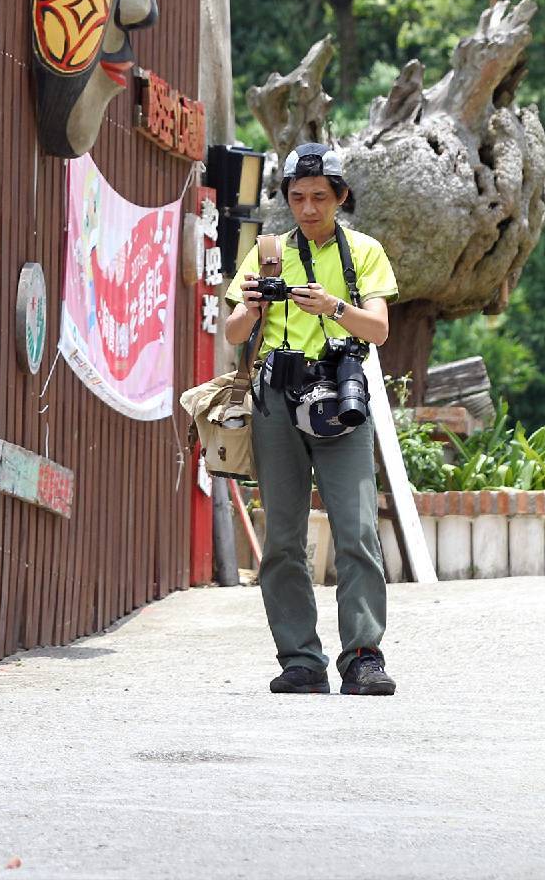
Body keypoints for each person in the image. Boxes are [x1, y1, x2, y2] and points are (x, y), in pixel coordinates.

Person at [222, 144, 399, 696]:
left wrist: (333, 307)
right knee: (281, 539)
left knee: (358, 531)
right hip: (276, 398)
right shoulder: (268, 251)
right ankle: (300, 659)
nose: (308, 208)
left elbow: (378, 330)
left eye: (320, 197)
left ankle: (363, 657)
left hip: (342, 399)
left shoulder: (366, 251)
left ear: (341, 197)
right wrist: (251, 308)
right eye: (297, 197)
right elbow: (231, 334)